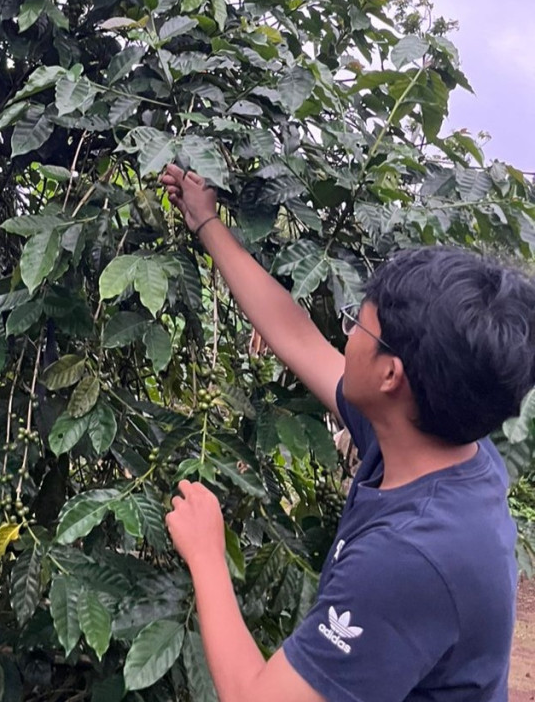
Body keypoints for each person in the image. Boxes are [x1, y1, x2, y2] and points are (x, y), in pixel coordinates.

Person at [160, 165, 533, 702]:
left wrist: (207, 555)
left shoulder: (409, 560)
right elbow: (295, 334)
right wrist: (206, 222)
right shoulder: (438, 438)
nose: (345, 335)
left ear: (391, 377)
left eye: (357, 326)